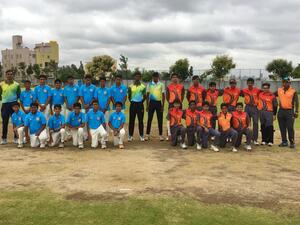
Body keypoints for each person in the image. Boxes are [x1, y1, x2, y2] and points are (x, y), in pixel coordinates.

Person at [275, 77, 299, 148]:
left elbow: (297, 102)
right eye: (284, 82)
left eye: (286, 82)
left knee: (290, 127)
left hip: (290, 112)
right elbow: (272, 95)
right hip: (281, 111)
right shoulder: (279, 90)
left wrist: (297, 111)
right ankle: (284, 142)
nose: (285, 83)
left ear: (289, 83)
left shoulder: (293, 91)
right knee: (282, 127)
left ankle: (292, 142)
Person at [0, 69, 21, 144]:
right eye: (8, 74)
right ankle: (4, 138)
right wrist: (5, 100)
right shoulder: (1, 84)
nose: (9, 75)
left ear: (13, 75)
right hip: (5, 105)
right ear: (6, 75)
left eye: (11, 74)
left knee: (15, 122)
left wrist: (16, 104)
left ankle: (16, 138)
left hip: (14, 104)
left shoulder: (16, 84)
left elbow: (18, 95)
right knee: (4, 122)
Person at [145, 72, 165, 141]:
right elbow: (147, 95)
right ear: (152, 77)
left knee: (160, 119)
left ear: (158, 77)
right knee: (149, 119)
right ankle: (147, 135)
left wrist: (163, 105)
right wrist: (147, 105)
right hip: (151, 103)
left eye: (156, 77)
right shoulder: (149, 84)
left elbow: (163, 95)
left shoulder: (161, 84)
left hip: (159, 103)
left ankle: (160, 135)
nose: (155, 78)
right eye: (154, 77)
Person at [128, 71, 146, 142]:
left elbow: (145, 96)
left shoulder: (143, 87)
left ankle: (141, 135)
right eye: (136, 76)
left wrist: (140, 102)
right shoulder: (130, 86)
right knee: (131, 120)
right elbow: (129, 96)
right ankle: (130, 135)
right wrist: (133, 101)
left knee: (140, 121)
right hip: (133, 104)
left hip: (140, 105)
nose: (137, 78)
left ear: (140, 77)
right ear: (134, 77)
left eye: (139, 76)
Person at [241, 78, 261, 145]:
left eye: (251, 83)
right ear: (247, 83)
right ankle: (248, 138)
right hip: (247, 107)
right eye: (248, 83)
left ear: (253, 83)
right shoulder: (244, 90)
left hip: (255, 108)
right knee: (246, 123)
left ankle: (255, 139)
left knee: (255, 123)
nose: (250, 84)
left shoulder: (257, 90)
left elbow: (263, 94)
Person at [166, 73, 185, 139]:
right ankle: (168, 134)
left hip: (179, 104)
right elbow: (167, 96)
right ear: (171, 79)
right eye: (173, 77)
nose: (175, 78)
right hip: (171, 104)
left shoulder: (181, 86)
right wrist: (171, 102)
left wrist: (180, 102)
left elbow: (183, 95)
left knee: (178, 117)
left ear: (178, 78)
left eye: (176, 77)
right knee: (170, 119)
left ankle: (179, 134)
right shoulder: (169, 86)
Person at [94, 77, 111, 141]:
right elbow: (96, 99)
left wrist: (105, 108)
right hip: (98, 110)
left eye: (103, 81)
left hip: (106, 109)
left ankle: (106, 137)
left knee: (106, 123)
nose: (102, 83)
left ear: (105, 82)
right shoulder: (97, 90)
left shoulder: (108, 90)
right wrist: (99, 108)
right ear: (99, 82)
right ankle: (99, 137)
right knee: (99, 123)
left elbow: (109, 99)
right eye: (101, 81)